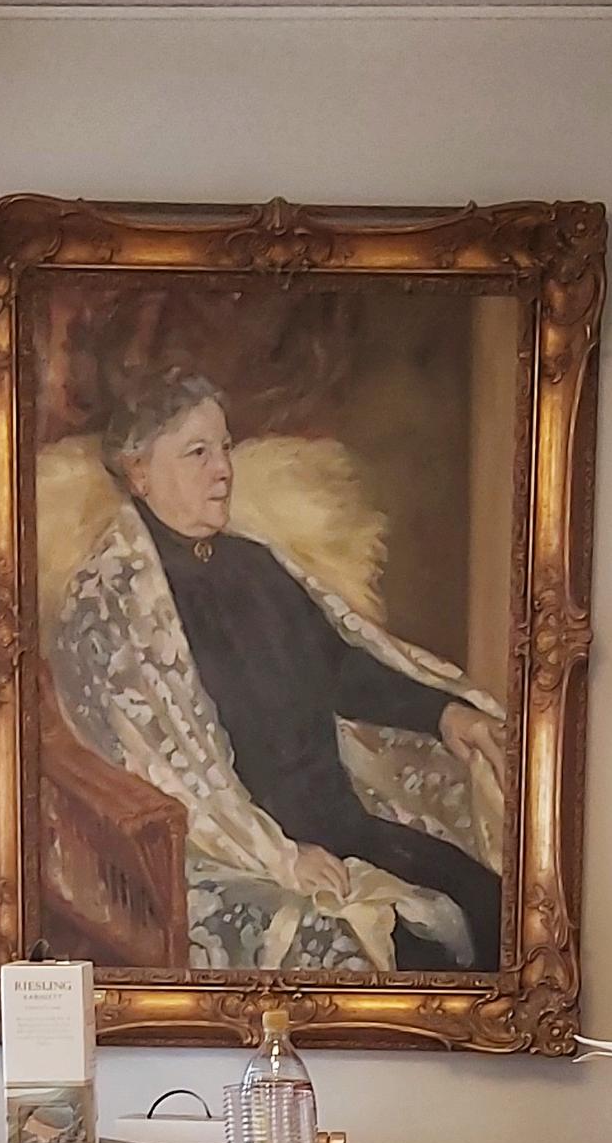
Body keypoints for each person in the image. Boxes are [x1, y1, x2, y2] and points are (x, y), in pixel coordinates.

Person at [51, 369, 508, 973]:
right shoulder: (112, 598)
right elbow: (161, 769)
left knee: (491, 902)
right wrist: (282, 856)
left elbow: (338, 669)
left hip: (340, 823)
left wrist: (444, 713)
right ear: (139, 473)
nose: (223, 469)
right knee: (395, 952)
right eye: (197, 453)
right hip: (227, 851)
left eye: (224, 448)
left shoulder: (253, 563)